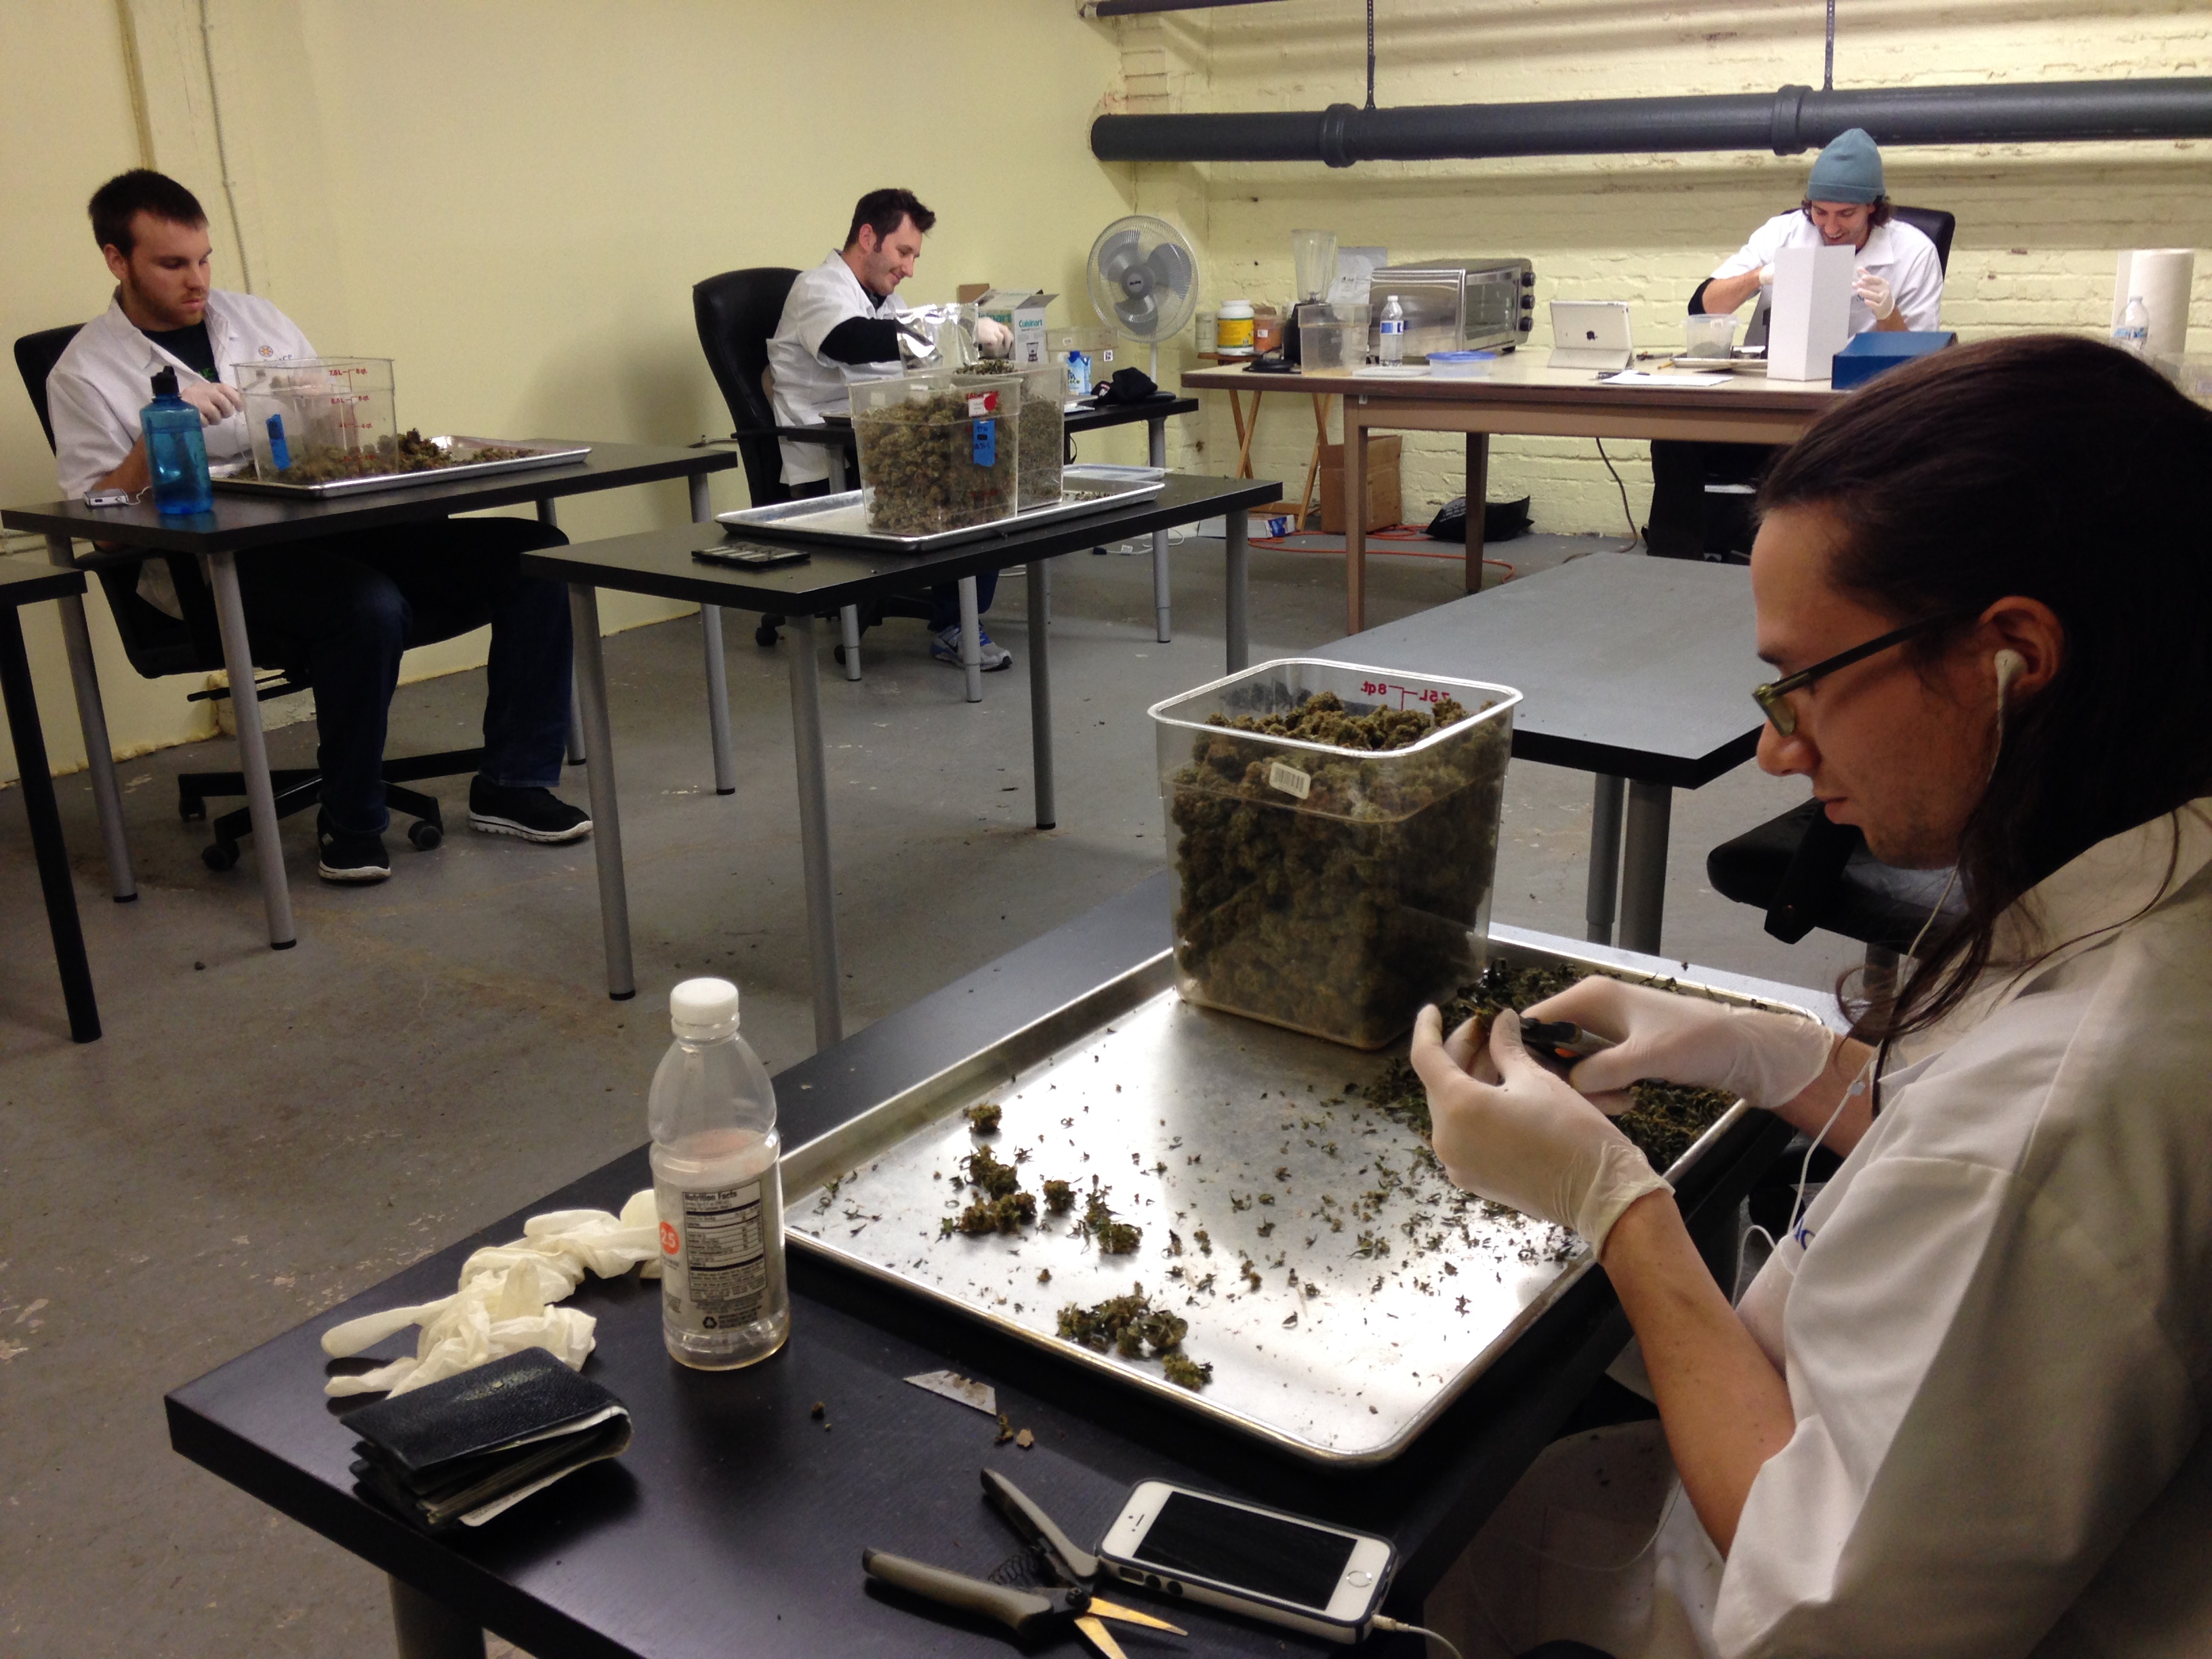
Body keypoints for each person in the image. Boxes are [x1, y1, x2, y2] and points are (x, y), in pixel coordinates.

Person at [1416, 335, 2212, 1656]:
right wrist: (1769, 1054)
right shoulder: (2151, 859)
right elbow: (1963, 1136)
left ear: (2011, 651)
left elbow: (1816, 1597)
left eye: (1807, 682)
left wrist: (1618, 1210)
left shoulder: (2067, 1120)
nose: (1781, 749)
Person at [47, 170, 588, 884]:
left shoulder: (258, 321)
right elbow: (103, 530)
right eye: (172, 264)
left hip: (325, 528)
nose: (197, 279)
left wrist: (346, 425)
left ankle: (513, 785)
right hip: (212, 568)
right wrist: (156, 440)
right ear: (117, 260)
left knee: (535, 555)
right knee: (365, 606)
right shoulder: (85, 373)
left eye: (205, 258)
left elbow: (331, 430)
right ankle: (353, 817)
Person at [1645, 129, 1946, 562]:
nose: (1831, 227)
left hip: (1852, 410)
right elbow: (1704, 304)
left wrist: (1888, 313)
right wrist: (1758, 278)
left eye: (1846, 214)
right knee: (1676, 434)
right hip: (1770, 397)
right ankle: (1673, 565)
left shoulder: (1913, 252)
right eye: (1820, 212)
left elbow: (1920, 363)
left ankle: (1820, 568)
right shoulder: (1785, 232)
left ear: (1874, 209)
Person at [768, 186, 1018, 672]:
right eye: (904, 252)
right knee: (967, 481)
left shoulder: (887, 301)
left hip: (878, 442)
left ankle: (959, 616)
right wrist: (961, 324)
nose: (909, 267)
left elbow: (909, 363)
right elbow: (850, 341)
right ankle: (954, 623)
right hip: (831, 456)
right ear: (868, 236)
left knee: (988, 462)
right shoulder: (818, 289)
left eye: (915, 256)